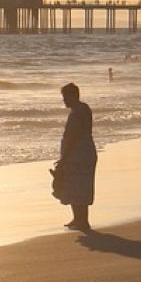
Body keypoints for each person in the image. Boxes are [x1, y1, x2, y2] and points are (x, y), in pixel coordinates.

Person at [53, 83, 97, 232]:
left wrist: (64, 158)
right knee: (80, 187)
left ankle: (81, 220)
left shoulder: (77, 112)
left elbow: (73, 137)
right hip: (85, 152)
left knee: (76, 186)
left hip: (78, 154)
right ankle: (79, 219)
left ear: (72, 96)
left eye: (65, 97)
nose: (63, 100)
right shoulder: (83, 109)